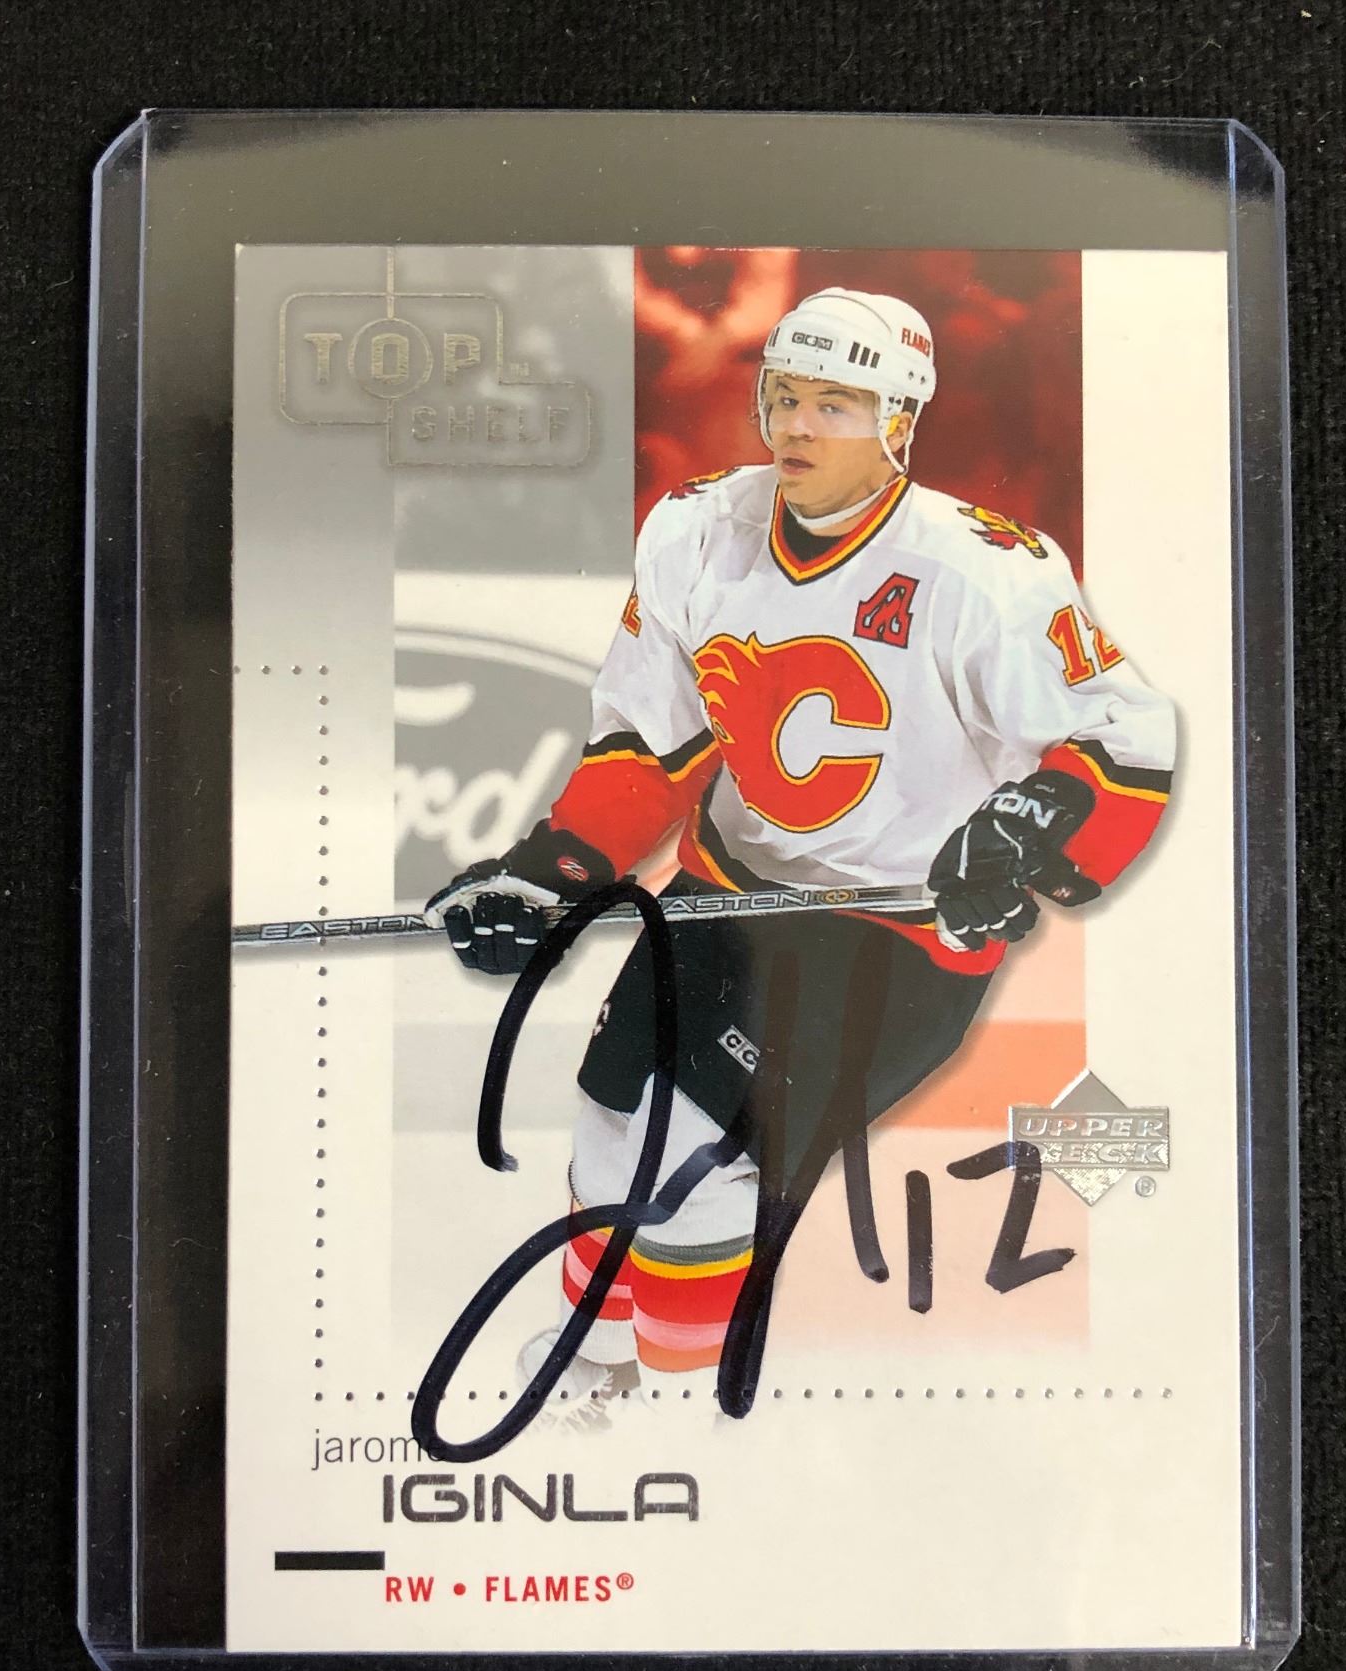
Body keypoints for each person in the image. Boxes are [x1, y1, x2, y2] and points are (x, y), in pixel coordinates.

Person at [426, 287, 1175, 1411]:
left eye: (835, 404)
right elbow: (651, 745)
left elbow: (1123, 741)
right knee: (612, 1122)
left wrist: (1022, 837)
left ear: (900, 422)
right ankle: (599, 1354)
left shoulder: (986, 571)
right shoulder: (695, 528)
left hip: (894, 938)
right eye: (782, 397)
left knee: (700, 1172)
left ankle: (678, 1405)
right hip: (725, 893)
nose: (796, 426)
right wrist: (551, 873)